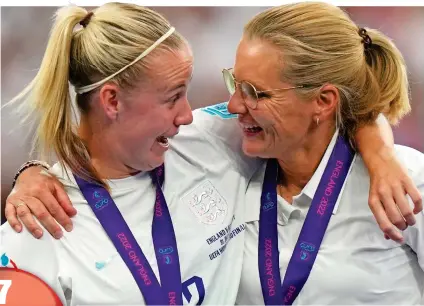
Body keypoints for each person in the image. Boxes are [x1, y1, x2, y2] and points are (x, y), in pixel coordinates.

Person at [1, 2, 421, 305]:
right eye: (173, 97)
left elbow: (338, 109)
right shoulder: (39, 223)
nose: (190, 114)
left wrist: (381, 154)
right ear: (111, 101)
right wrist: (34, 172)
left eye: (254, 92)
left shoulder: (210, 140)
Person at [216, 2, 424, 305]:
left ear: (323, 101)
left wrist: (380, 154)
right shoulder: (227, 161)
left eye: (254, 93)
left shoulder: (408, 183)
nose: (233, 105)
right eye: (234, 83)